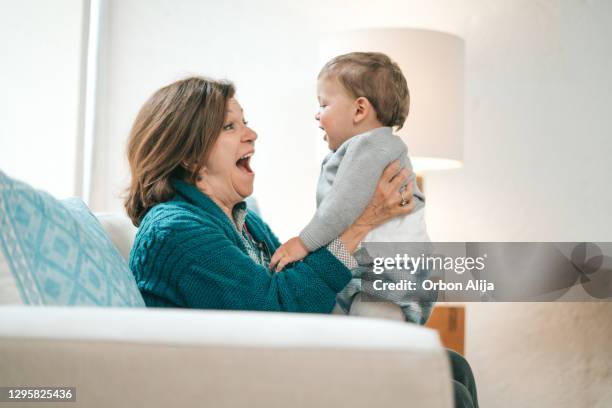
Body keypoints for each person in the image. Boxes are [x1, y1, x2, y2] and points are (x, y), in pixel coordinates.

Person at [124, 76, 478, 408]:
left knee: (452, 366)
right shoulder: (176, 231)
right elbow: (273, 313)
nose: (252, 134)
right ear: (189, 155)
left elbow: (297, 282)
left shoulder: (245, 222)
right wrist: (359, 226)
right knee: (447, 391)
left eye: (244, 121)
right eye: (229, 126)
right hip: (245, 385)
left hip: (278, 362)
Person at [269, 52, 433, 325]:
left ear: (359, 110)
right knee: (345, 333)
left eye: (324, 105)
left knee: (369, 346)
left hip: (388, 277)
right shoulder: (360, 149)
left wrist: (303, 242)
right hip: (369, 273)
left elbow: (341, 205)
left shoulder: (371, 146)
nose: (316, 114)